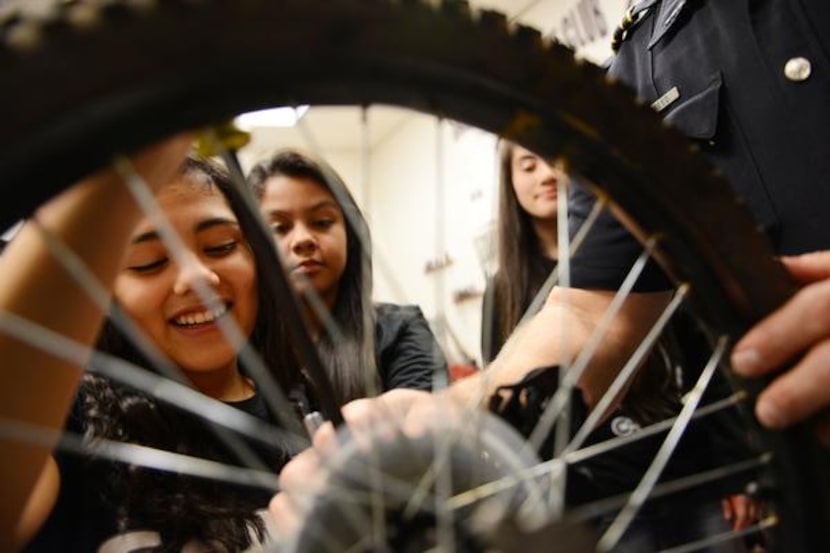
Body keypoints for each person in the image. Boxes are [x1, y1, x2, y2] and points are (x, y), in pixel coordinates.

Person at [2, 142, 306, 551]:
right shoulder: (69, 424)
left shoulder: (305, 411)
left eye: (220, 247)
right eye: (148, 262)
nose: (198, 277)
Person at [247, 149, 447, 404]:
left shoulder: (401, 330)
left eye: (321, 222)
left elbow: (430, 431)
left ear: (350, 236)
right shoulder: (238, 351)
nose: (303, 240)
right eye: (278, 228)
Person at [481, 141, 564, 364]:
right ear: (510, 181)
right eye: (528, 167)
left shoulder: (615, 256)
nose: (547, 174)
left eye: (555, 160)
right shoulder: (501, 288)